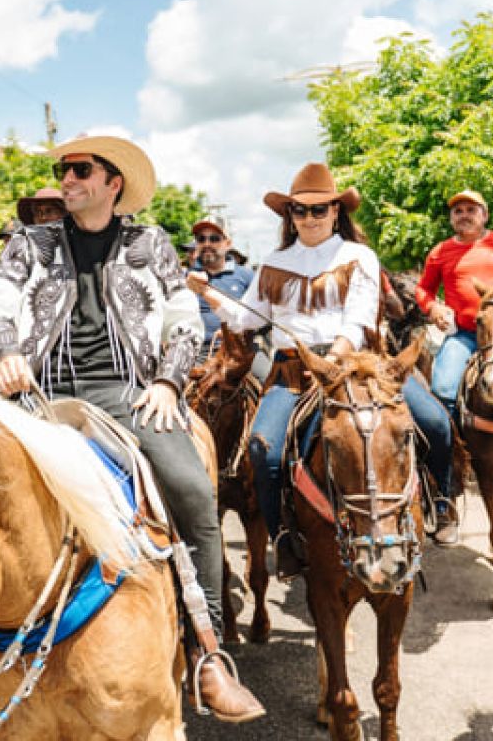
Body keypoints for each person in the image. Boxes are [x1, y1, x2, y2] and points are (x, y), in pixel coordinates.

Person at [0, 136, 264, 722]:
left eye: (81, 170)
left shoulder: (149, 242)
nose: (68, 178)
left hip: (125, 389)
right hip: (38, 390)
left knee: (192, 490)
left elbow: (183, 318)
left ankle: (207, 651)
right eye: (64, 169)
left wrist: (168, 382)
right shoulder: (32, 242)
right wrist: (4, 350)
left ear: (113, 185)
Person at [188, 163, 453, 568]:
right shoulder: (274, 262)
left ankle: (442, 502)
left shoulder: (358, 256)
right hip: (292, 372)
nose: (309, 217)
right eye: (300, 210)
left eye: (319, 209)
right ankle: (284, 537)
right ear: (289, 216)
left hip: (359, 365)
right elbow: (246, 318)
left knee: (435, 421)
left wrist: (330, 363)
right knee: (262, 450)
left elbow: (358, 320)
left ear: (335, 211)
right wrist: (207, 293)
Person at [415, 189, 493, 543]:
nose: (464, 215)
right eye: (458, 211)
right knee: (442, 390)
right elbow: (424, 291)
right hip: (466, 335)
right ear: (451, 218)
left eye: (471, 209)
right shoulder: (440, 252)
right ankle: (454, 469)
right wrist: (434, 308)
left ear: (484, 215)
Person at [189, 214, 253, 356]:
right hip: (194, 353)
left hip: (238, 351)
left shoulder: (247, 276)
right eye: (201, 239)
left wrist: (237, 331)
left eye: (214, 239)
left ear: (228, 244)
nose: (207, 244)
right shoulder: (184, 278)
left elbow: (264, 319)